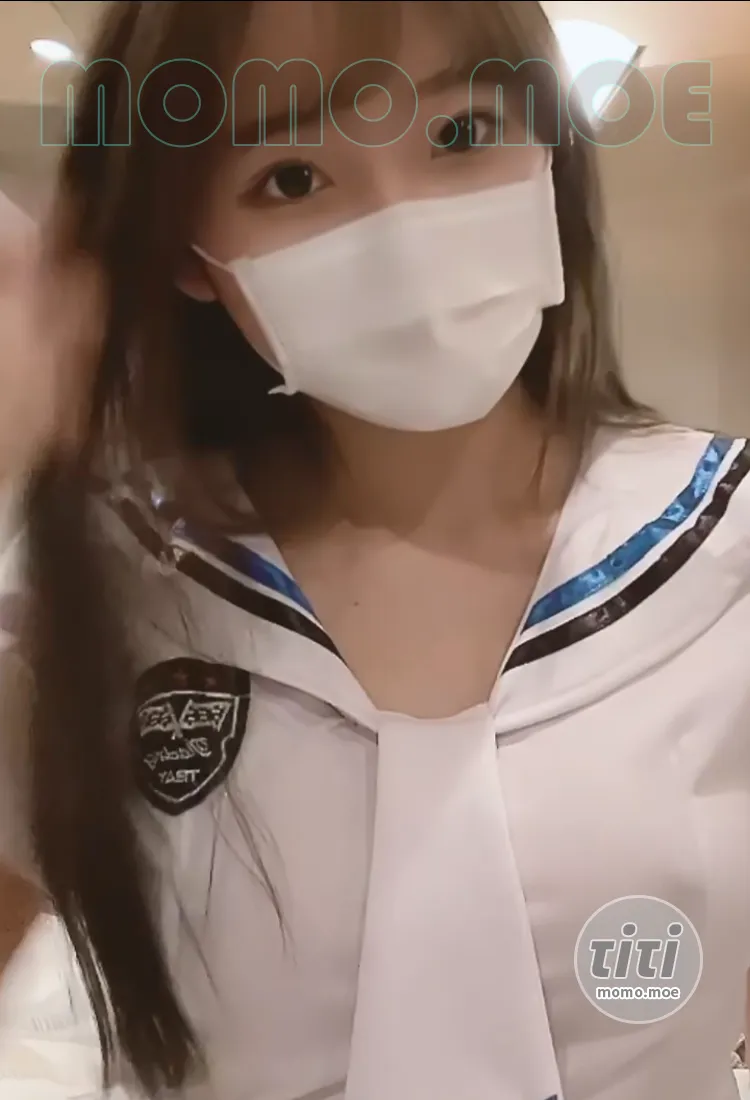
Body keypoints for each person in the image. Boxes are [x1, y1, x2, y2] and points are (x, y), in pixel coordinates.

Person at [0, 1, 748, 1099]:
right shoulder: (107, 576)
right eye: (292, 177)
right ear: (192, 257)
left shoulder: (722, 544)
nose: (404, 226)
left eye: (460, 133)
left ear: (547, 146)